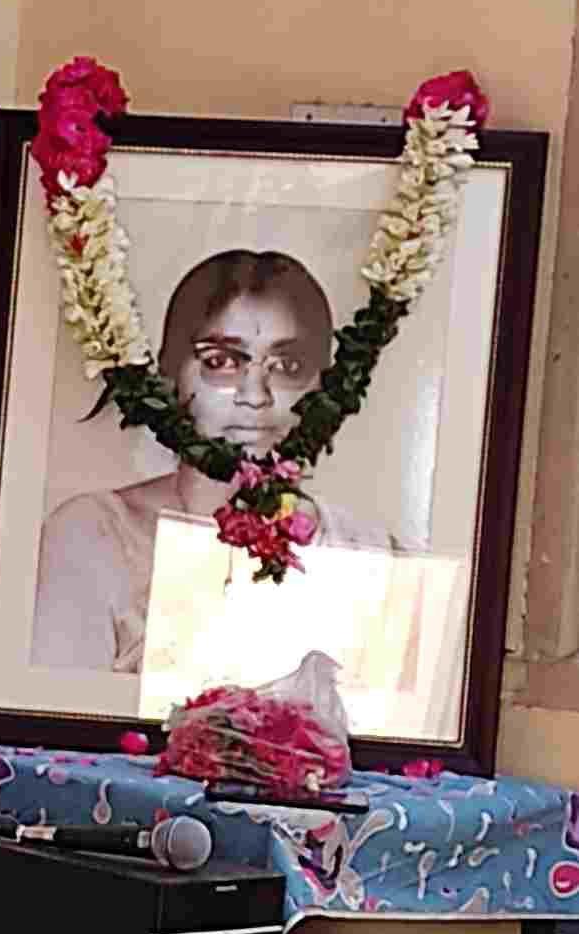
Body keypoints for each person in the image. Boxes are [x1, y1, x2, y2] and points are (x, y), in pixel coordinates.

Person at [30, 248, 404, 680]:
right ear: (169, 376)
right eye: (221, 362)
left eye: (287, 366)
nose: (256, 396)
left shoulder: (365, 549)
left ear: (324, 389)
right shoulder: (95, 535)